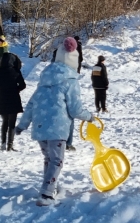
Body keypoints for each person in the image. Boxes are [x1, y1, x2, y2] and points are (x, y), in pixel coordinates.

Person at [16, 37, 95, 206]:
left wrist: (22, 125)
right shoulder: (71, 82)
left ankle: (52, 186)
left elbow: (31, 104)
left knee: (49, 159)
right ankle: (46, 194)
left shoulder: (43, 82)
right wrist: (89, 117)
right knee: (56, 161)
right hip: (57, 128)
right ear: (74, 63)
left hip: (40, 128)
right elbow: (74, 109)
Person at [0, 50, 26, 151]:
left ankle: (2, 143)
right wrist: (16, 90)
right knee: (12, 123)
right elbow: (23, 85)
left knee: (5, 121)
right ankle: (9, 146)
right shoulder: (15, 72)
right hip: (13, 99)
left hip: (2, 99)